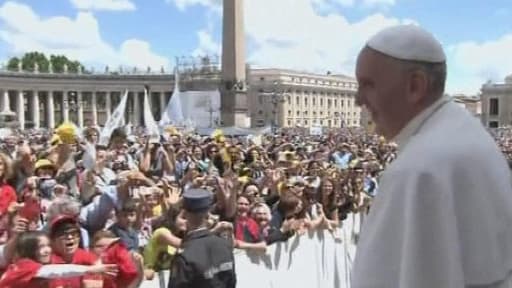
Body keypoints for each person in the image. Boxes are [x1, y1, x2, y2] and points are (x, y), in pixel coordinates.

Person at [351, 24, 512, 288]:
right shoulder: (466, 130)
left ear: (415, 86)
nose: (358, 100)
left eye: (368, 85)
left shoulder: (419, 170)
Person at [168, 188, 236, 288]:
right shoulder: (224, 245)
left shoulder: (184, 255)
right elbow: (231, 282)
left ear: (185, 213)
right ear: (208, 212)